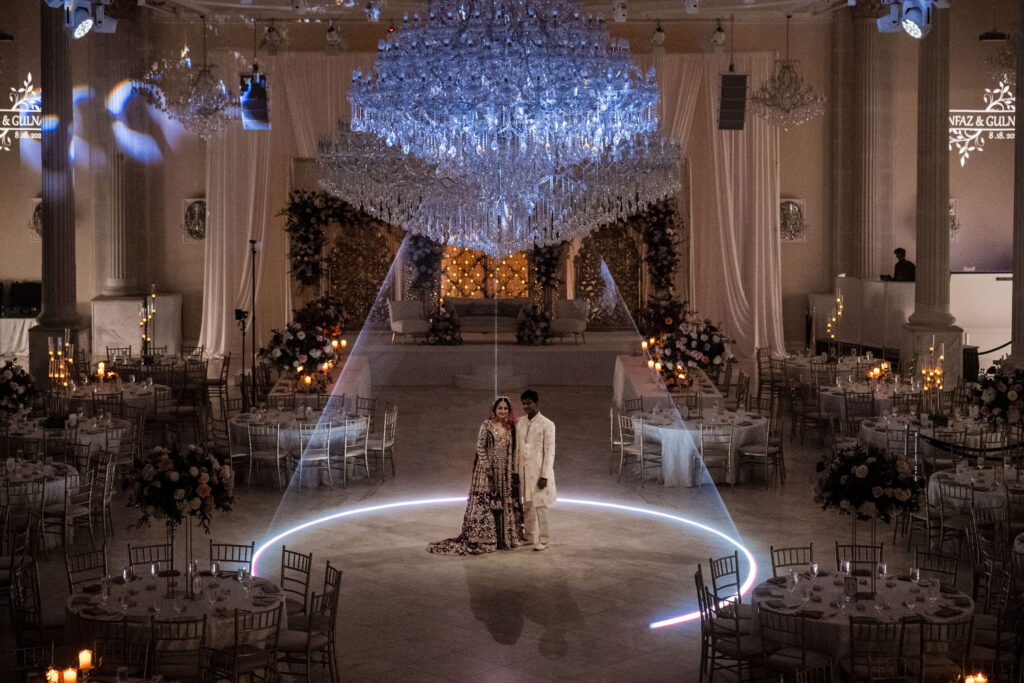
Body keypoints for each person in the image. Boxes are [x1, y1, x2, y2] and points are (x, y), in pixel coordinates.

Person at [428, 397, 525, 555]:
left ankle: (503, 539)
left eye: (505, 408)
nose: (503, 411)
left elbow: (510, 451)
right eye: (499, 408)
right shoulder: (486, 425)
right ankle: (482, 538)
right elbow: (480, 447)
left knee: (501, 503)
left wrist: (510, 470)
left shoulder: (509, 428)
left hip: (503, 472)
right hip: (486, 472)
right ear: (493, 410)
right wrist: (488, 468)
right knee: (486, 503)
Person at [516, 389, 556, 551]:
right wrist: (515, 470)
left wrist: (544, 475)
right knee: (528, 504)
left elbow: (549, 451)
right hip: (524, 471)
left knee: (541, 505)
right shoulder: (520, 422)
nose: (526, 406)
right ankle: (529, 536)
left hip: (539, 472)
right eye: (524, 403)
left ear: (536, 403)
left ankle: (544, 539)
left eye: (529, 403)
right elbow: (518, 449)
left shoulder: (547, 424)